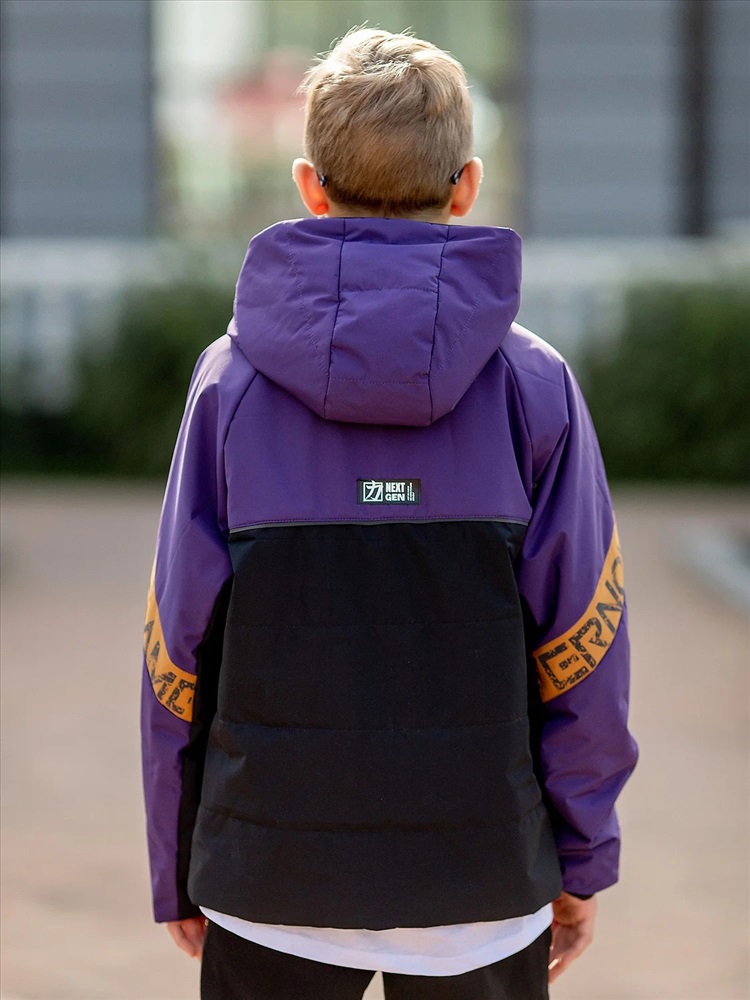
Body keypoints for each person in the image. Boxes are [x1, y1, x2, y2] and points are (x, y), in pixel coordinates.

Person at [141, 27, 638, 1000]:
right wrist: (582, 857)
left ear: (310, 186)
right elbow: (587, 640)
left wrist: (179, 858)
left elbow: (175, 649)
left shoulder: (229, 389)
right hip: (484, 879)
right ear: (466, 186)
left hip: (269, 872)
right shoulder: (533, 387)